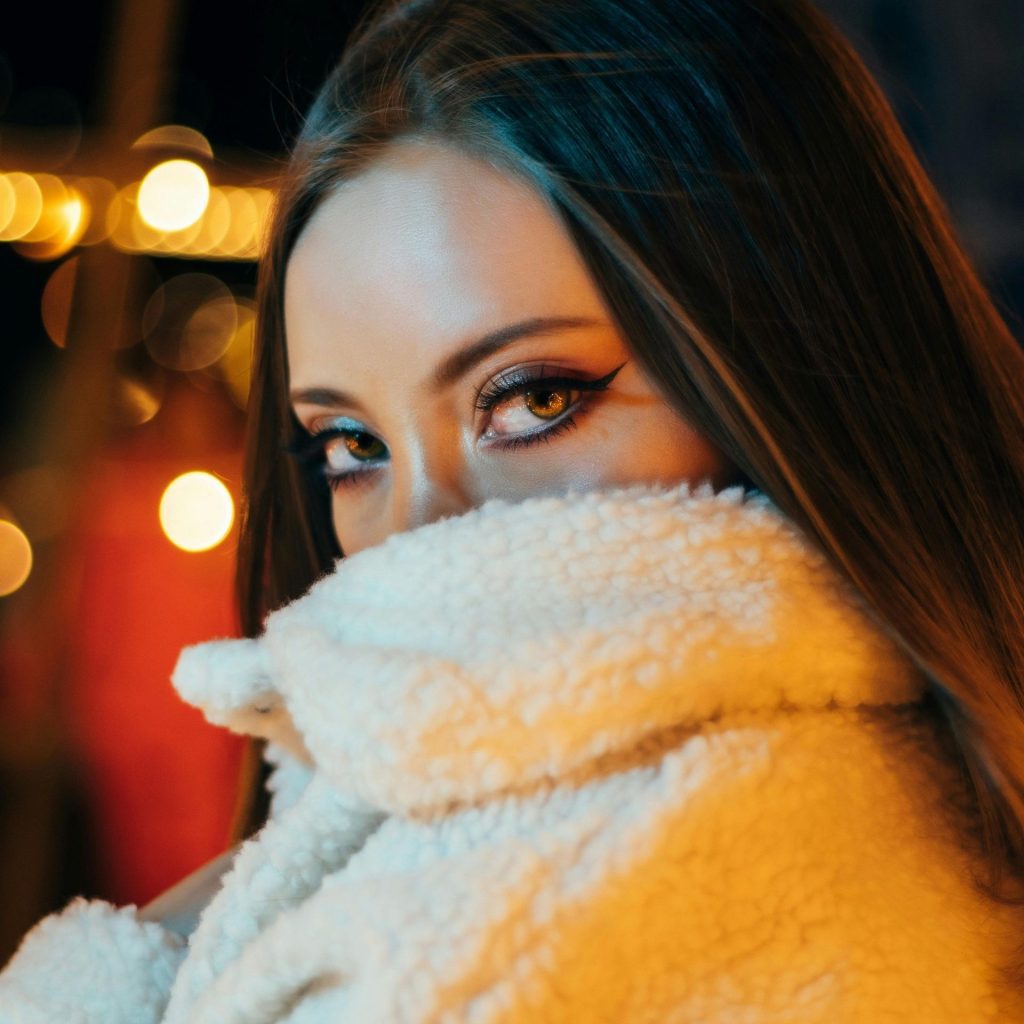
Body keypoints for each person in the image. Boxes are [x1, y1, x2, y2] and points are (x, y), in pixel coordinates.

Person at [2, 0, 1024, 1019]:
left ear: (794, 370)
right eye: (351, 449)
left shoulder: (537, 934)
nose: (416, 540)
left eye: (534, 399)